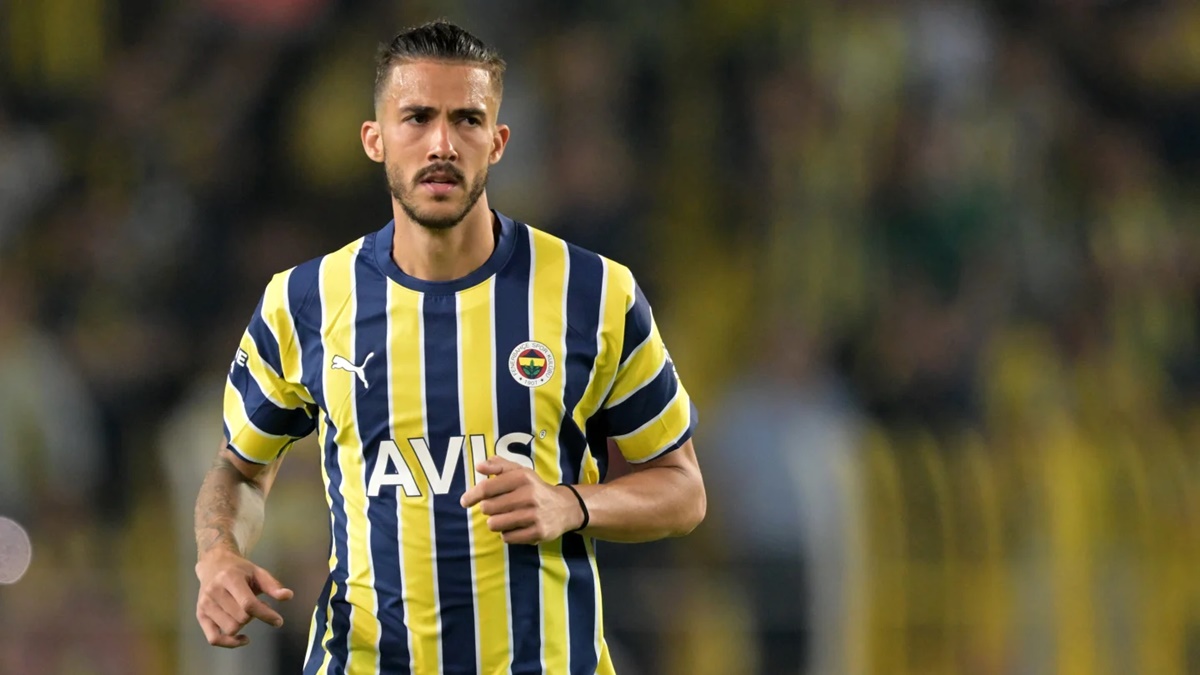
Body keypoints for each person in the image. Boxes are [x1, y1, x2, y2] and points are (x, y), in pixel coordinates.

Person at [193, 20, 706, 675]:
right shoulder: (305, 301)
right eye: (416, 118)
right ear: (374, 140)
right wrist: (218, 553)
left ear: (497, 142)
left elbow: (682, 488)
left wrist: (572, 502)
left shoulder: (595, 291)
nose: (441, 142)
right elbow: (238, 471)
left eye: (467, 119)